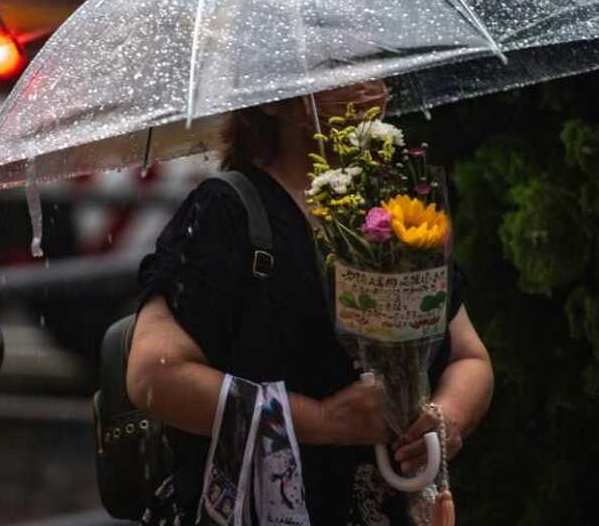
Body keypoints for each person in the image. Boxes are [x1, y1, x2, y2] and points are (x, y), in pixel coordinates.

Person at [126, 81, 495, 524]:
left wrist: (446, 416)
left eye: (374, 64)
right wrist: (322, 420)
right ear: (283, 100)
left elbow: (469, 357)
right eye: (342, 67)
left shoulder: (394, 214)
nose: (370, 85)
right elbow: (154, 376)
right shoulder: (227, 212)